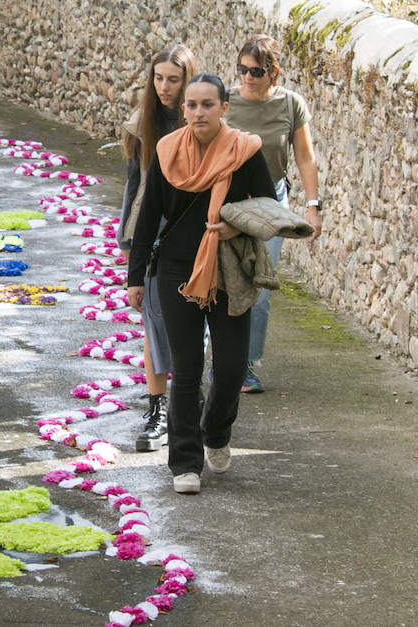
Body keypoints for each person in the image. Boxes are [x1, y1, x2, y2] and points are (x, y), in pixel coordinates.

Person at [127, 73, 275, 494]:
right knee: (187, 367)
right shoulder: (167, 150)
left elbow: (267, 207)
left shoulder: (245, 152)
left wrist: (236, 224)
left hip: (227, 269)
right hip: (175, 269)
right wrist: (135, 277)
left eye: (207, 105)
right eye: (191, 105)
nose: (197, 113)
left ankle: (216, 433)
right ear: (183, 110)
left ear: (224, 109)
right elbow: (149, 214)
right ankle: (185, 463)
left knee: (229, 368)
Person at [226, 35, 322, 393]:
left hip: (272, 204)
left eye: (256, 71)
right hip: (229, 202)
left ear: (273, 72)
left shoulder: (290, 104)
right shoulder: (226, 102)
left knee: (261, 288)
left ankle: (246, 365)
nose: (248, 76)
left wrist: (313, 207)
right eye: (243, 69)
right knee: (223, 282)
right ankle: (219, 360)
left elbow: (305, 158)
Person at [117, 43, 199, 452]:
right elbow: (134, 184)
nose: (164, 87)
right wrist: (127, 239)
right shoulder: (142, 122)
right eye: (159, 78)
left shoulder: (199, 119)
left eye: (173, 79)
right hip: (151, 231)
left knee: (189, 319)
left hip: (192, 231)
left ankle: (190, 395)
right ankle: (157, 408)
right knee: (152, 320)